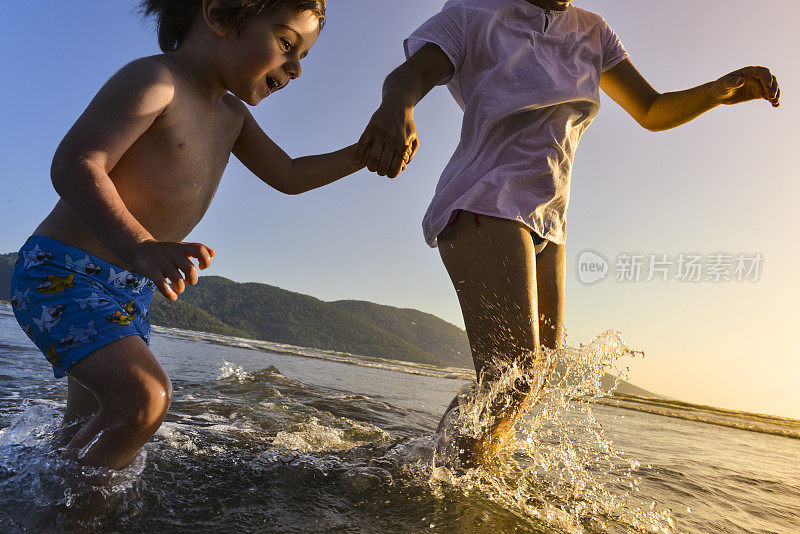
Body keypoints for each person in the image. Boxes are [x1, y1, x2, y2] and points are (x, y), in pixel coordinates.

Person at [355, 0, 780, 466]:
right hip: (486, 197)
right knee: (512, 374)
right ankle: (446, 484)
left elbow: (652, 110)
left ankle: (441, 469)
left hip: (548, 220)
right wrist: (398, 107)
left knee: (531, 378)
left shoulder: (594, 32)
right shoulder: (475, 12)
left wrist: (718, 92)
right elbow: (408, 75)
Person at [8, 0, 383, 470]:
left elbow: (289, 175)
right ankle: (72, 521)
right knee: (143, 400)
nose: (296, 69)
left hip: (127, 290)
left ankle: (39, 506)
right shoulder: (157, 81)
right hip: (63, 273)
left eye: (302, 55)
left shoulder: (234, 118)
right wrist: (140, 247)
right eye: (287, 44)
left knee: (84, 435)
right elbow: (77, 163)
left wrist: (364, 152)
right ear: (221, 14)